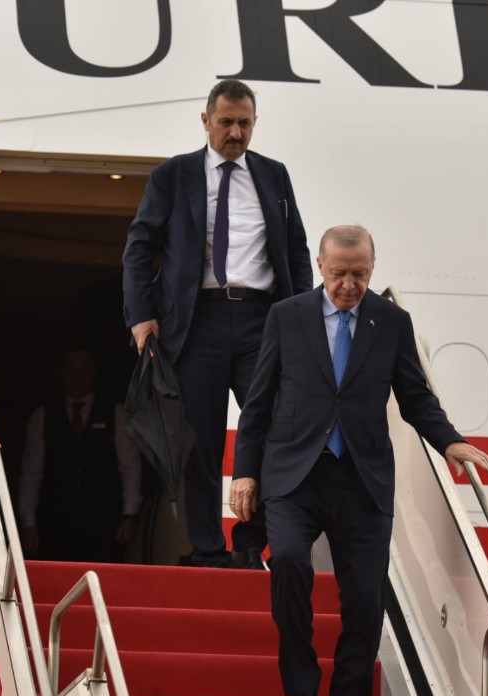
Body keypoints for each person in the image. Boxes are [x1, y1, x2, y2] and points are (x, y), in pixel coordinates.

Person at [229, 225, 488, 696]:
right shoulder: (287, 316)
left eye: (360, 274)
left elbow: (415, 397)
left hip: (361, 479)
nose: (349, 285)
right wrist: (245, 472)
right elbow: (257, 402)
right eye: (339, 274)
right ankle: (303, 691)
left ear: (372, 268)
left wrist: (451, 441)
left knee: (365, 598)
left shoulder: (391, 322)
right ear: (320, 266)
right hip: (295, 474)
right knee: (288, 560)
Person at [122, 79, 313, 568]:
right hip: (196, 322)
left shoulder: (274, 175)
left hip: (262, 321)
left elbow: (295, 249)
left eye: (244, 123)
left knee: (274, 430)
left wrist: (303, 318)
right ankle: (209, 548)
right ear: (205, 120)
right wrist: (141, 316)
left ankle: (250, 544)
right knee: (199, 442)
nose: (235, 132)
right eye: (226, 122)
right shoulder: (173, 175)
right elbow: (139, 249)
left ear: (255, 123)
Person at [17, 348, 142, 563]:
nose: (78, 374)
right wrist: (28, 523)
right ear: (62, 373)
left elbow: (130, 468)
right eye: (71, 369)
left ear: (94, 372)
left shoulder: (117, 414)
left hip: (105, 526)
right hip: (55, 525)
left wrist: (129, 515)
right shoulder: (42, 417)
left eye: (84, 368)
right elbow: (31, 474)